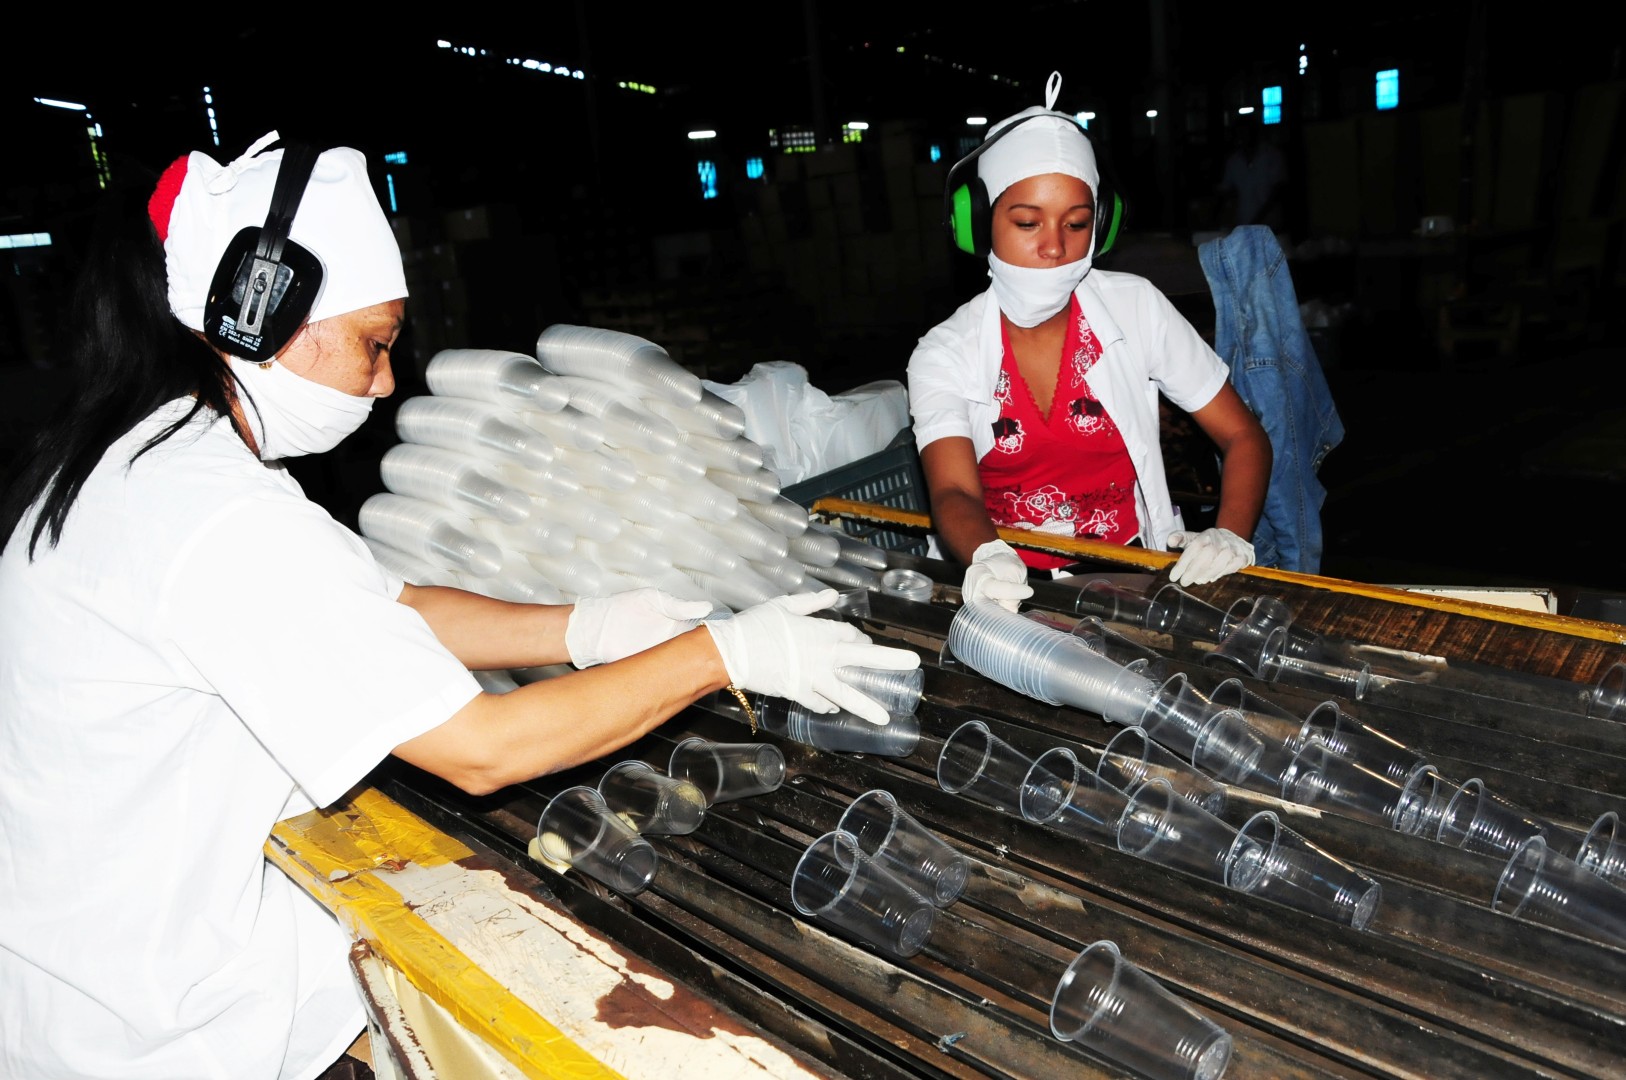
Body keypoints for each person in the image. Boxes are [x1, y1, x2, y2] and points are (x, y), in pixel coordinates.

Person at [0, 133, 918, 1079]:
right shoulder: (212, 517)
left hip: (97, 968)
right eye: (375, 343)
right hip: (159, 1031)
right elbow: (484, 751)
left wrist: (584, 626)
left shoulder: (152, 463)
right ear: (262, 314)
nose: (389, 378)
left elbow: (388, 600)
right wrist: (723, 656)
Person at [908, 73, 1272, 611]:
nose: (1054, 247)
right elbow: (953, 492)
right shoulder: (943, 352)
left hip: (1128, 573)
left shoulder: (1135, 308)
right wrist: (987, 556)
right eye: (1027, 222)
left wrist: (1230, 534)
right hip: (1005, 583)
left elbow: (1244, 436)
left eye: (1076, 224)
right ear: (979, 224)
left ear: (1101, 225)